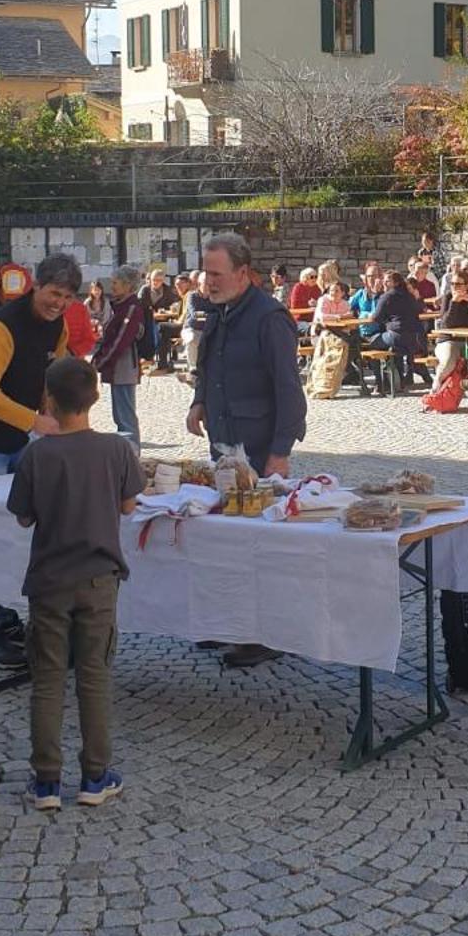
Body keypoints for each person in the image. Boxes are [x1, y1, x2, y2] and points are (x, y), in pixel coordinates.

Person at [8, 355, 144, 811]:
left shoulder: (36, 454)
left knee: (47, 677)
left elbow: (24, 515)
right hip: (98, 577)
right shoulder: (117, 449)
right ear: (96, 397)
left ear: (48, 399)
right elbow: (129, 507)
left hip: (49, 579)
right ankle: (95, 774)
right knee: (94, 674)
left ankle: (46, 780)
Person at [0, 251, 80, 668]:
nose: (59, 303)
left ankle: (10, 624)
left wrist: (61, 417)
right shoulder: (2, 327)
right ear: (36, 286)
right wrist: (34, 421)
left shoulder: (57, 326)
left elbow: (53, 377)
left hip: (21, 440)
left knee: (17, 531)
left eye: (67, 297)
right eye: (53, 293)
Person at [186, 233, 307, 666]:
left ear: (242, 274)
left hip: (259, 447)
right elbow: (208, 363)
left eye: (216, 274)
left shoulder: (269, 318)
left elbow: (290, 391)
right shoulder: (218, 310)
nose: (207, 280)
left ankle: (263, 634)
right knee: (227, 538)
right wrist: (199, 399)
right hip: (224, 441)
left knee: (259, 544)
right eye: (205, 271)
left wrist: (280, 450)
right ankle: (227, 624)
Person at [92, 266, 146, 446]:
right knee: (121, 415)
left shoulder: (130, 307)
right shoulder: (120, 306)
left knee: (125, 417)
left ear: (128, 285)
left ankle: (132, 455)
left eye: (116, 283)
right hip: (118, 369)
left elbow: (120, 341)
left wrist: (100, 362)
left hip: (123, 369)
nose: (112, 286)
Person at [360, 269, 429, 392]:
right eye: (384, 281)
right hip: (414, 337)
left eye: (388, 281)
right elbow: (418, 310)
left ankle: (381, 383)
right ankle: (398, 381)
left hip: (397, 334)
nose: (385, 283)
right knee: (394, 349)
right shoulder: (409, 295)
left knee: (372, 346)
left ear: (396, 283)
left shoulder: (388, 296)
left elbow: (376, 317)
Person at [432, 273, 468, 387]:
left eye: (458, 284)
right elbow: (446, 323)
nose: (455, 287)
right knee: (448, 361)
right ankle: (436, 387)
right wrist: (454, 303)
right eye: (452, 284)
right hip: (448, 339)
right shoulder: (448, 297)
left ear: (467, 286)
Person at [142, 268, 180, 371]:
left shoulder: (167, 290)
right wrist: (151, 310)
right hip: (147, 319)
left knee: (163, 331)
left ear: (163, 281)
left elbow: (174, 303)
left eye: (158, 280)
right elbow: (141, 304)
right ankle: (152, 357)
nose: (155, 282)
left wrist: (167, 310)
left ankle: (163, 360)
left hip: (164, 319)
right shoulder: (145, 290)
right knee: (155, 331)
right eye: (153, 279)